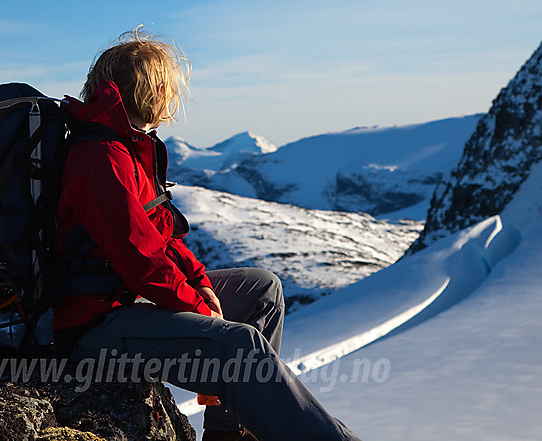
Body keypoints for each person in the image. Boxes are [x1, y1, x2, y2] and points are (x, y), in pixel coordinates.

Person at [53, 27, 362, 441]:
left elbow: (163, 238)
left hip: (125, 302)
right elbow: (139, 259)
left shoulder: (127, 146)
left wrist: (199, 286)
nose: (170, 97)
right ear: (152, 89)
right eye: (167, 86)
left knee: (262, 290)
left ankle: (228, 433)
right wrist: (199, 308)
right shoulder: (103, 157)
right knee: (239, 346)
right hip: (92, 325)